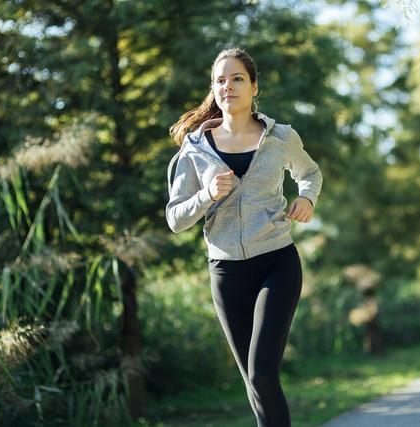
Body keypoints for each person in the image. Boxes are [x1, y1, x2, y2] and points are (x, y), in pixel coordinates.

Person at [166, 47, 323, 427]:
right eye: (220, 80)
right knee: (253, 382)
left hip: (276, 263)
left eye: (237, 79)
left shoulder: (280, 136)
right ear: (213, 89)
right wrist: (207, 195)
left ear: (254, 87)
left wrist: (306, 198)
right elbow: (175, 218)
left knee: (263, 374)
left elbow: (310, 173)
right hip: (226, 272)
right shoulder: (195, 149)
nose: (228, 86)